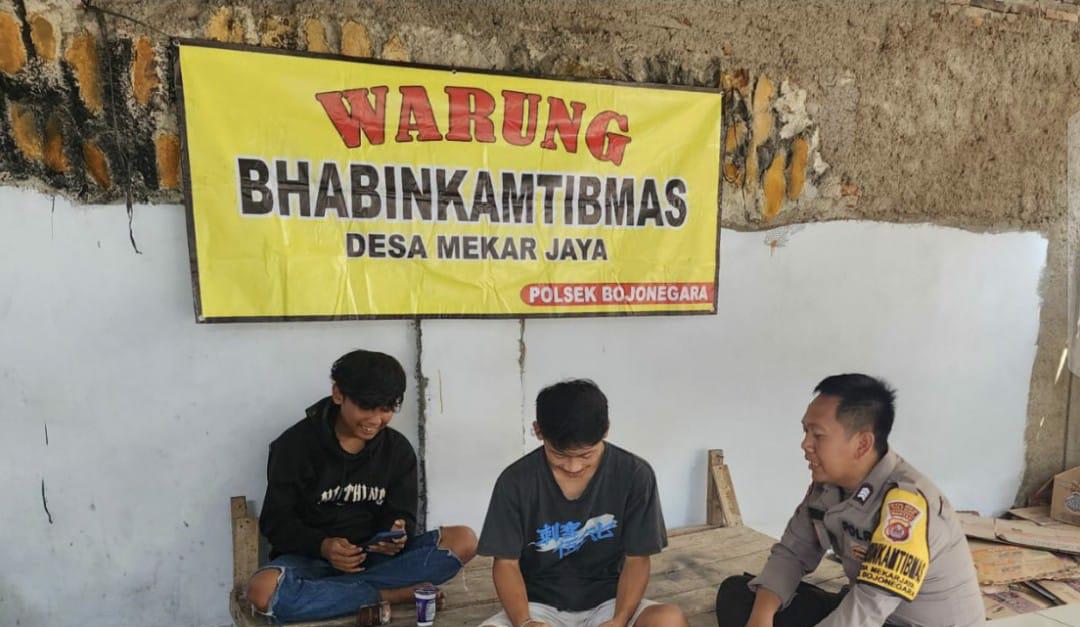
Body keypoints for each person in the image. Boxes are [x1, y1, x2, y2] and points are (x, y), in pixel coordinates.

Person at [714, 374, 984, 627]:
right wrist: (760, 619)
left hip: (904, 622)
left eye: (817, 435)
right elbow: (793, 553)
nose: (805, 444)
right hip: (867, 611)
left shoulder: (906, 506)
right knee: (738, 597)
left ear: (862, 444)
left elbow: (868, 609)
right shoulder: (828, 486)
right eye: (805, 432)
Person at [244, 349, 477, 623]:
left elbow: (403, 516)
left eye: (386, 409)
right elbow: (275, 522)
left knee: (463, 540)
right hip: (310, 562)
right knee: (261, 591)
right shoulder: (295, 446)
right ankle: (390, 594)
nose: (375, 420)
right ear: (338, 394)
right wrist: (324, 547)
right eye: (366, 407)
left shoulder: (397, 451)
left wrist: (395, 534)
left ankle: (335, 596)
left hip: (374, 559)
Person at [477, 379, 688, 627]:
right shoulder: (515, 481)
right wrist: (525, 622)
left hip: (611, 603)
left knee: (669, 620)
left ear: (606, 430)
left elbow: (637, 560)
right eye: (559, 455)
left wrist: (619, 620)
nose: (573, 466)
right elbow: (506, 563)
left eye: (586, 455)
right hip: (536, 606)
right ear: (538, 431)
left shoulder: (634, 475)